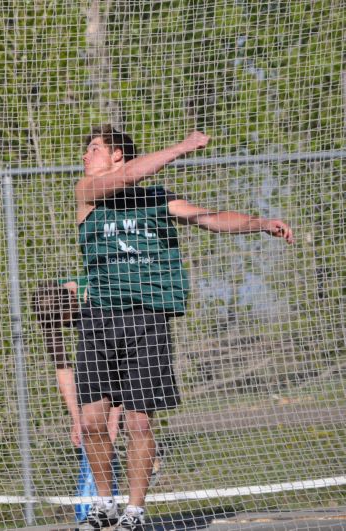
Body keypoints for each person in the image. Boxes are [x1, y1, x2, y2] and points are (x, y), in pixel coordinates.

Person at [72, 126, 294, 530]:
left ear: (118, 153)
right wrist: (183, 146)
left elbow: (209, 219)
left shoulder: (158, 200)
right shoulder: (86, 193)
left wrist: (259, 222)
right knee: (91, 422)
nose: (85, 156)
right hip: (97, 318)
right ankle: (104, 504)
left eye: (94, 149)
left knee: (139, 422)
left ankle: (135, 511)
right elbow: (124, 179)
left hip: (145, 318)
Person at [30, 280, 122, 523]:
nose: (59, 326)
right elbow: (63, 368)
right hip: (99, 373)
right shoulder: (48, 308)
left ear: (71, 303)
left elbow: (119, 367)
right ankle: (92, 514)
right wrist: (77, 419)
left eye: (62, 320)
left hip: (133, 354)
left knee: (120, 430)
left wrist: (112, 419)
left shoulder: (99, 299)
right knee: (92, 435)